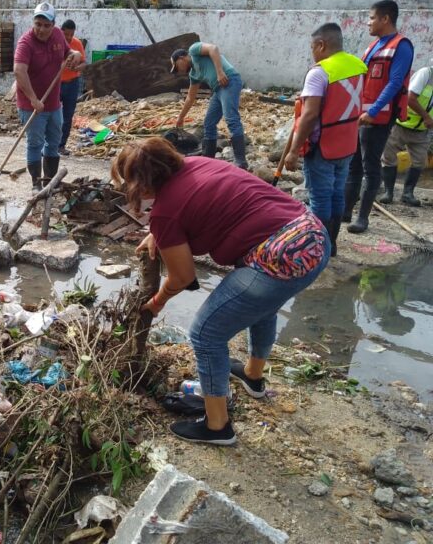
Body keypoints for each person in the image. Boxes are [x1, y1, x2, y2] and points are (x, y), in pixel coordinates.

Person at [113, 138, 329, 445]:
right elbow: (191, 208)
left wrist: (158, 302)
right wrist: (156, 235)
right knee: (263, 306)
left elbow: (183, 276)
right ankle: (252, 377)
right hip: (313, 238)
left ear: (142, 185)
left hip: (279, 261)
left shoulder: (165, 214)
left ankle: (217, 427)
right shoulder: (199, 164)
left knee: (205, 334)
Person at [284, 23, 367, 257]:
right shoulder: (357, 65)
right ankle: (332, 245)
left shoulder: (320, 72)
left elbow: (309, 115)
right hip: (348, 143)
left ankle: (319, 249)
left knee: (319, 198)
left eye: (312, 47)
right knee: (337, 193)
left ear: (321, 45)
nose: (312, 52)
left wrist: (293, 150)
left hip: (323, 147)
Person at [343, 0, 414, 233]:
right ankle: (345, 210)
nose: (368, 22)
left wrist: (372, 112)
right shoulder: (375, 45)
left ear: (385, 19)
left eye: (372, 18)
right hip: (360, 116)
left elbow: (395, 82)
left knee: (370, 166)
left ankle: (362, 218)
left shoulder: (401, 45)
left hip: (377, 118)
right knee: (353, 165)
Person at [14, 3, 83, 192]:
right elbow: (19, 71)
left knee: (54, 142)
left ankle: (50, 182)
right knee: (35, 143)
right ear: (33, 23)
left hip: (54, 103)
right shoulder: (25, 43)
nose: (41, 29)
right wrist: (33, 99)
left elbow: (68, 52)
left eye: (46, 25)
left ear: (53, 24)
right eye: (38, 24)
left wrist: (74, 54)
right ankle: (37, 184)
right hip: (32, 105)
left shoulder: (58, 35)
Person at [171, 43, 247, 169]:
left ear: (181, 58)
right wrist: (181, 117)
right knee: (209, 124)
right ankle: (209, 161)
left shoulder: (193, 50)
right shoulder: (193, 74)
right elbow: (190, 97)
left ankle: (241, 162)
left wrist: (220, 72)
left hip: (229, 80)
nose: (178, 71)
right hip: (218, 89)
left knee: (231, 119)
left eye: (176, 67)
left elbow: (213, 49)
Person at [379, 61, 433, 206]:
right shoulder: (426, 74)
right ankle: (388, 192)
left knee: (420, 161)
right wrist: (427, 117)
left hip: (421, 130)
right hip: (401, 124)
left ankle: (408, 193)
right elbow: (410, 98)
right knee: (389, 157)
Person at [58, 19, 86, 156]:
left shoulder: (77, 44)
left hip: (72, 83)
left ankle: (61, 145)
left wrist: (76, 67)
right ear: (61, 32)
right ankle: (48, 144)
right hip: (56, 84)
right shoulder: (55, 44)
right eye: (66, 34)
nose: (69, 37)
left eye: (71, 34)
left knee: (68, 116)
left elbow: (84, 63)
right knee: (51, 115)